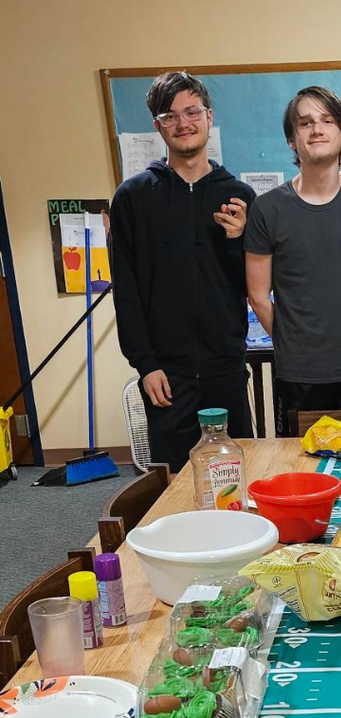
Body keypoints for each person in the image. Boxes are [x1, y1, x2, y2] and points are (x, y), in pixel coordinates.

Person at [109, 70, 255, 472]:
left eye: (192, 111)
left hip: (224, 364)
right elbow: (126, 287)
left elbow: (251, 282)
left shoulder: (239, 196)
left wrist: (238, 240)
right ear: (158, 126)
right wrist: (145, 364)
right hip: (165, 373)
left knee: (232, 473)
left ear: (209, 117)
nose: (183, 123)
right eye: (170, 116)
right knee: (173, 480)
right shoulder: (133, 197)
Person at [245, 86, 341, 435]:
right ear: (292, 140)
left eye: (327, 120)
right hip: (298, 375)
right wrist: (293, 342)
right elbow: (257, 295)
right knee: (300, 470)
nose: (317, 129)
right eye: (305, 122)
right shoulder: (267, 210)